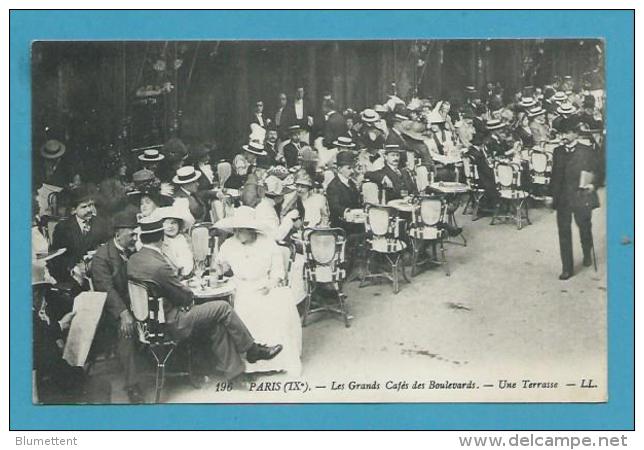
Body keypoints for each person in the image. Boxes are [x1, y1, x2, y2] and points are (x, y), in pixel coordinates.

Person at [127, 216, 283, 380]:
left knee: (216, 322)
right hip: (172, 322)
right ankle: (252, 350)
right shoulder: (158, 265)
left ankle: (236, 374)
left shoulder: (135, 259)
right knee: (223, 307)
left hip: (148, 323)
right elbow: (184, 297)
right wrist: (188, 289)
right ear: (161, 237)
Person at [213, 206, 302, 376]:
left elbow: (278, 273)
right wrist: (219, 268)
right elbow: (221, 268)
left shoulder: (267, 243)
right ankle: (246, 364)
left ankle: (274, 361)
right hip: (238, 287)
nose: (237, 234)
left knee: (273, 307)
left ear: (252, 229)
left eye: (241, 230)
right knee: (238, 310)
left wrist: (269, 285)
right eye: (235, 230)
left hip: (264, 285)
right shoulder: (229, 244)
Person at [90, 210, 144, 403]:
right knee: (126, 333)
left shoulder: (134, 250)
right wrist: (123, 313)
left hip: (136, 304)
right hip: (111, 310)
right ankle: (133, 385)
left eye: (136, 234)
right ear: (118, 233)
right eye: (132, 234)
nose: (135, 238)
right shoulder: (101, 257)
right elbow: (107, 290)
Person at [550, 117, 600, 280]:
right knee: (563, 232)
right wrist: (551, 196)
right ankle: (567, 268)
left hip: (581, 196)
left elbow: (599, 171)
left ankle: (587, 251)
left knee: (584, 227)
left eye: (566, 133)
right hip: (563, 198)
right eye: (560, 133)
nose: (562, 136)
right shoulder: (557, 152)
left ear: (575, 134)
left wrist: (593, 185)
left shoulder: (587, 151)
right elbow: (555, 176)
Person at [49, 186, 111, 285]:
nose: (89, 210)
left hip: (98, 272)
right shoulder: (63, 228)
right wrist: (73, 268)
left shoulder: (101, 224)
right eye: (84, 207)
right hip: (72, 275)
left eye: (91, 205)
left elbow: (109, 248)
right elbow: (57, 257)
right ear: (74, 210)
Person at [157, 204, 196, 279]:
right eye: (166, 223)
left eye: (174, 222)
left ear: (179, 224)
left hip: (190, 278)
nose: (170, 226)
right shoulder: (160, 242)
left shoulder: (185, 238)